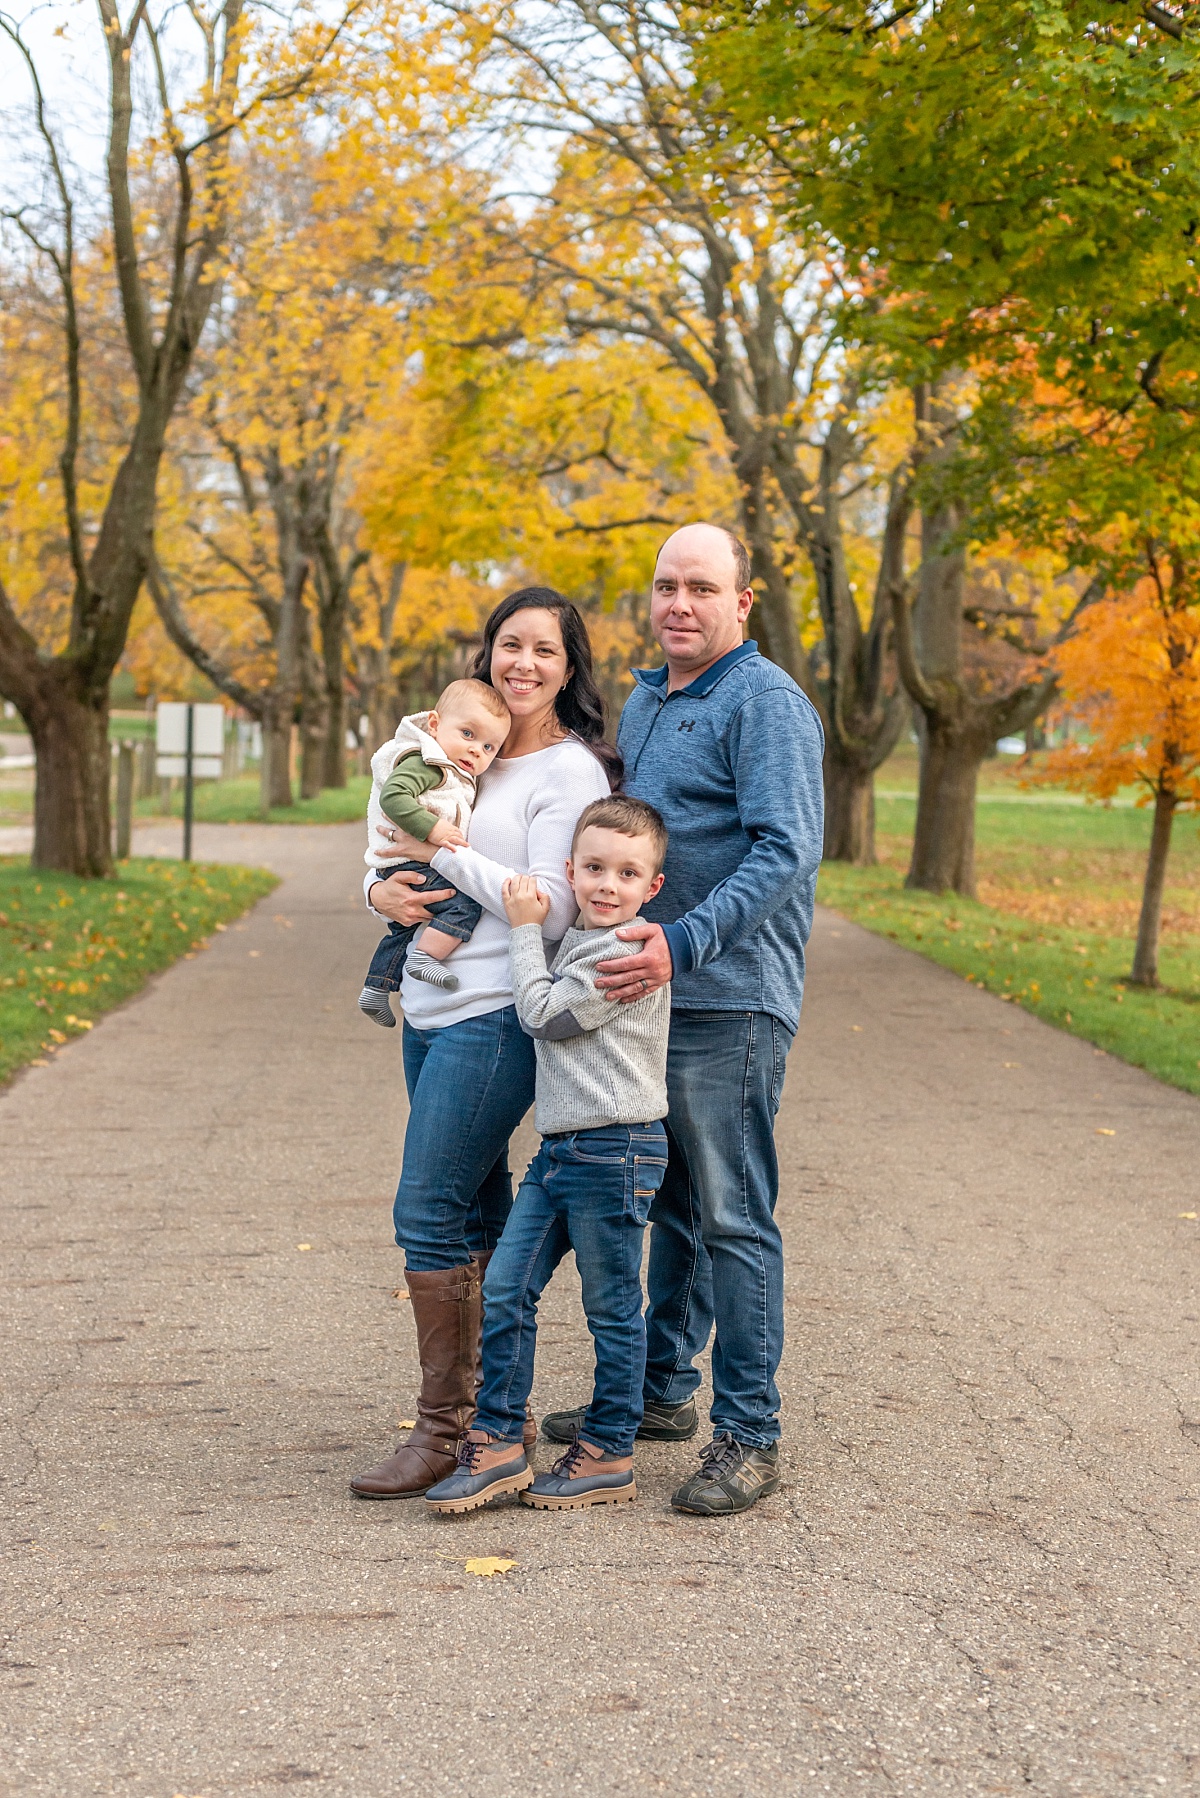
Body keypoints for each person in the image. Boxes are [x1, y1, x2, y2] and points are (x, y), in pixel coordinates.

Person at [541, 523, 825, 1517]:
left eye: (702, 586)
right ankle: (664, 1392)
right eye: (666, 585)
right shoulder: (656, 696)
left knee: (733, 1215)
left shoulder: (765, 702)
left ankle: (751, 1435)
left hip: (730, 995)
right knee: (671, 1205)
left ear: (742, 602)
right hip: (648, 999)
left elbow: (786, 849)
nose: (680, 603)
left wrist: (687, 940)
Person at [349, 589, 616, 1502]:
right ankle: (501, 1425)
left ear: (569, 666)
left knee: (425, 1211)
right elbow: (395, 839)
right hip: (429, 1015)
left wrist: (445, 851)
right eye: (510, 644)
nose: (525, 664)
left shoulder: (569, 773)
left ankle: (442, 1432)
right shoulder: (470, 746)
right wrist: (378, 894)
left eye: (545, 649)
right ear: (488, 653)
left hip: (499, 1014)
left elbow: (555, 900)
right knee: (479, 1215)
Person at [424, 795, 672, 1515]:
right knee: (507, 1286)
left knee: (612, 1308)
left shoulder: (626, 954)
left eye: (626, 873)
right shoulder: (585, 944)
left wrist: (526, 928)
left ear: (650, 887)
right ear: (571, 869)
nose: (605, 885)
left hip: (616, 1151)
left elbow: (541, 1016)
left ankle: (609, 1450)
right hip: (562, 1152)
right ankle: (498, 1440)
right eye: (593, 868)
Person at [358, 679, 512, 1024]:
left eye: (489, 747)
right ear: (434, 724)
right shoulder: (427, 763)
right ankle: (426, 958)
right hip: (412, 860)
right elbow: (393, 797)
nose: (476, 751)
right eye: (468, 735)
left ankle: (375, 987)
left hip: (401, 864)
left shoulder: (452, 768)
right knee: (464, 904)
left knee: (402, 928)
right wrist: (433, 829)